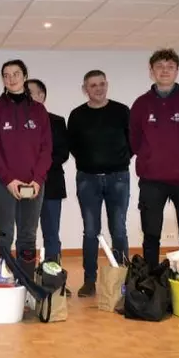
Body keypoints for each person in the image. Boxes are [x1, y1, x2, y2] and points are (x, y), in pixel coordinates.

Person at [130, 48, 179, 270]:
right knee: (151, 231)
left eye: (170, 67)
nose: (165, 71)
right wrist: (148, 157)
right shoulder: (141, 104)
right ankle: (151, 279)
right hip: (151, 179)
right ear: (151, 71)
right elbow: (134, 138)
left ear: (177, 71)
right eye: (160, 67)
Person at [0, 59, 52, 279]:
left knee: (28, 237)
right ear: (2, 79)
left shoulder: (39, 111)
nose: (11, 78)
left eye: (16, 74)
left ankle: (26, 286)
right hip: (4, 185)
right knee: (4, 236)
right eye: (6, 75)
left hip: (33, 185)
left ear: (24, 76)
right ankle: (2, 283)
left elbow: (46, 149)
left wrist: (37, 180)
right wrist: (9, 180)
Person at [66, 70, 131, 297]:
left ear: (107, 85)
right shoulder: (77, 115)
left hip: (119, 178)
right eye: (93, 85)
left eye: (102, 84)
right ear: (85, 89)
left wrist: (118, 160)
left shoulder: (122, 111)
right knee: (91, 231)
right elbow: (72, 146)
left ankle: (123, 278)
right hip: (88, 179)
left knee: (119, 230)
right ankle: (89, 281)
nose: (98, 89)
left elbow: (133, 142)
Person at [27, 78, 71, 297]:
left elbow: (62, 153)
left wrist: (39, 167)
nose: (28, 96)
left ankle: (54, 280)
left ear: (42, 96)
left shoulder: (56, 121)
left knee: (51, 234)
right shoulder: (20, 123)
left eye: (32, 93)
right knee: (27, 234)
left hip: (51, 184)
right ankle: (26, 279)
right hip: (24, 187)